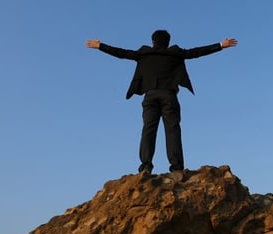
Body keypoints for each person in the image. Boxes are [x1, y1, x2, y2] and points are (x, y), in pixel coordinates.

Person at [86, 30, 238, 177]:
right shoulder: (175, 54)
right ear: (168, 42)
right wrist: (220, 45)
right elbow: (196, 52)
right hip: (169, 96)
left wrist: (99, 46)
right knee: (172, 131)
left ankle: (145, 166)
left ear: (153, 42)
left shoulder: (144, 54)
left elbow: (121, 53)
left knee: (148, 131)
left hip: (150, 96)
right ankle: (177, 169)